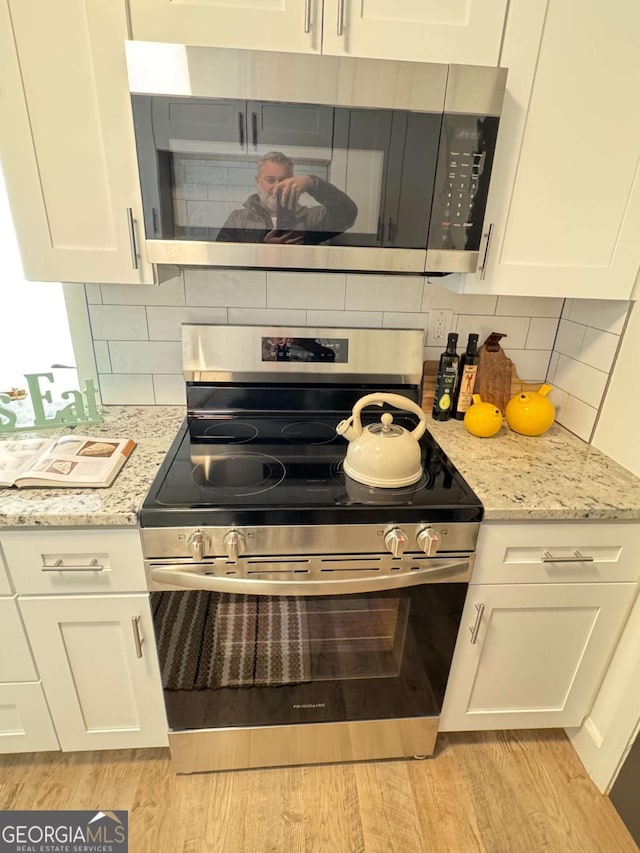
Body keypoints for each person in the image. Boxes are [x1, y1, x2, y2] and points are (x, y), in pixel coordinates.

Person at [216, 151, 357, 244]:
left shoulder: (311, 218)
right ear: (257, 182)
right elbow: (220, 259)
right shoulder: (239, 219)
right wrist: (261, 248)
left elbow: (347, 213)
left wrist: (313, 183)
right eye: (270, 180)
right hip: (252, 287)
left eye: (284, 180)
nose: (278, 187)